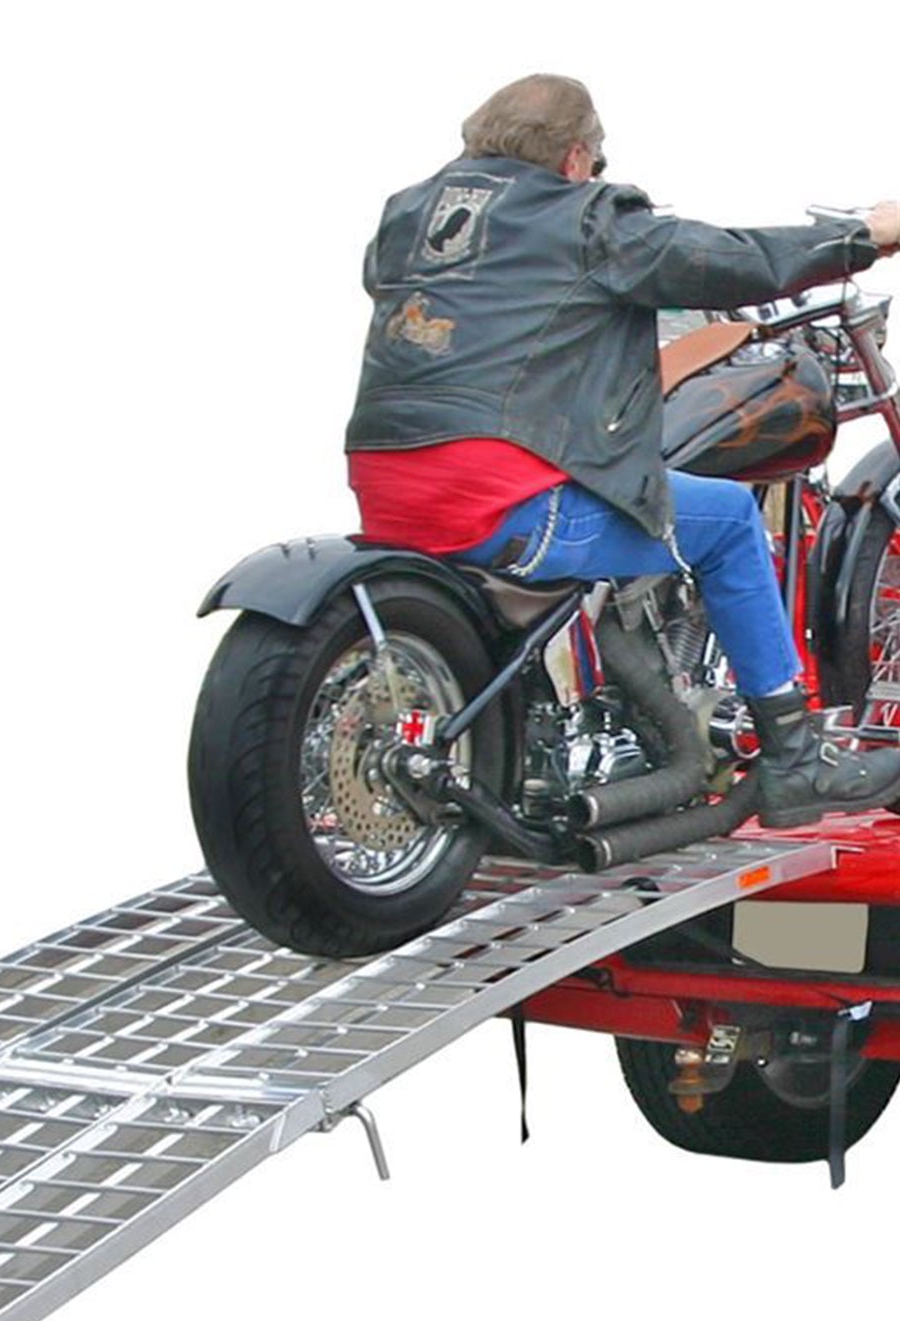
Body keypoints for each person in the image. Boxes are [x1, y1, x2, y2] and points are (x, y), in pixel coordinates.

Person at [343, 72, 900, 828]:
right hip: (504, 503)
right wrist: (865, 234)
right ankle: (796, 762)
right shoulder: (587, 221)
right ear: (576, 158)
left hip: (389, 492)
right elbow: (729, 260)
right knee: (730, 520)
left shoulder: (408, 218)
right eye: (595, 162)